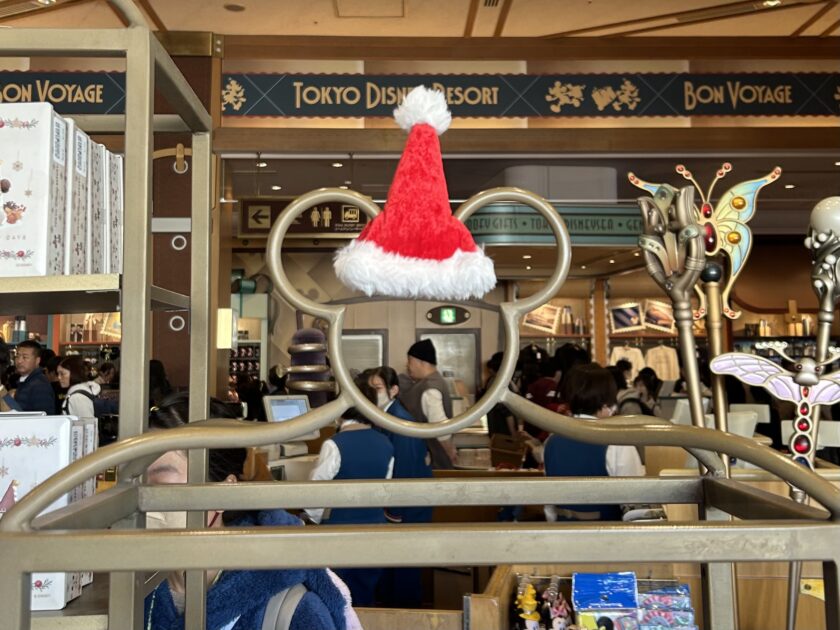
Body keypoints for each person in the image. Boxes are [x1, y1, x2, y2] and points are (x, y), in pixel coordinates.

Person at [144, 392, 360, 630]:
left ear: (223, 492)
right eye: (136, 481)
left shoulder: (292, 610)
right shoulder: (130, 585)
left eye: (158, 484)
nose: (138, 499)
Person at [304, 377, 394, 606]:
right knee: (366, 596)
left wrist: (316, 520)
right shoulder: (386, 443)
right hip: (375, 532)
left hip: (339, 534)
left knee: (337, 598)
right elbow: (386, 486)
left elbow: (313, 495)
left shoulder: (334, 444)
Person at [364, 365, 432, 607]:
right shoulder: (383, 417)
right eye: (368, 389)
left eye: (377, 388)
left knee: (404, 574)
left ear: (393, 390)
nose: (372, 394)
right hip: (397, 505)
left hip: (407, 507)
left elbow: (405, 470)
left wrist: (394, 513)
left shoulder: (400, 421)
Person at [541, 363, 644, 521]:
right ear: (606, 402)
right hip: (608, 532)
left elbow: (549, 506)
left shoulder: (551, 441)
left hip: (562, 532)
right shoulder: (617, 442)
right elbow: (636, 501)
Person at [398, 339, 457, 468]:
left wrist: (450, 451)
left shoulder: (430, 388)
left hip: (434, 460)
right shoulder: (433, 382)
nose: (408, 366)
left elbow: (440, 427)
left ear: (422, 362)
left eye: (410, 361)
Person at [0, 340, 55, 414]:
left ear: (37, 360)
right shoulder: (26, 381)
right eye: (17, 356)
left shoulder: (40, 385)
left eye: (25, 357)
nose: (19, 361)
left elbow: (44, 416)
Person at [480, 352, 517, 437]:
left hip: (495, 428)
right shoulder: (500, 383)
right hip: (503, 430)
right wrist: (513, 432)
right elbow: (506, 410)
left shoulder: (493, 380)